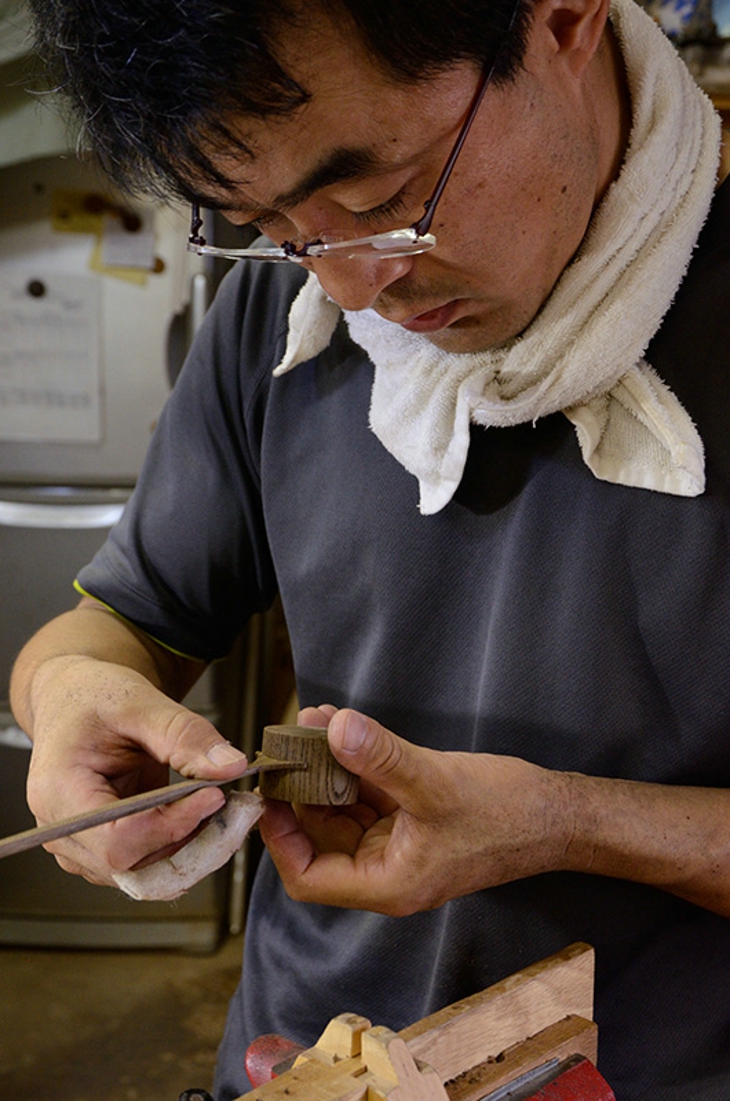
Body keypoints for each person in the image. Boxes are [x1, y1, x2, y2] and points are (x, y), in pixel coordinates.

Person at [12, 0, 730, 1097]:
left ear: (562, 20)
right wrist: (67, 693)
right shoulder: (283, 315)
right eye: (270, 226)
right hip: (309, 1060)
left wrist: (568, 825)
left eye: (382, 203)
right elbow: (123, 620)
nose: (351, 290)